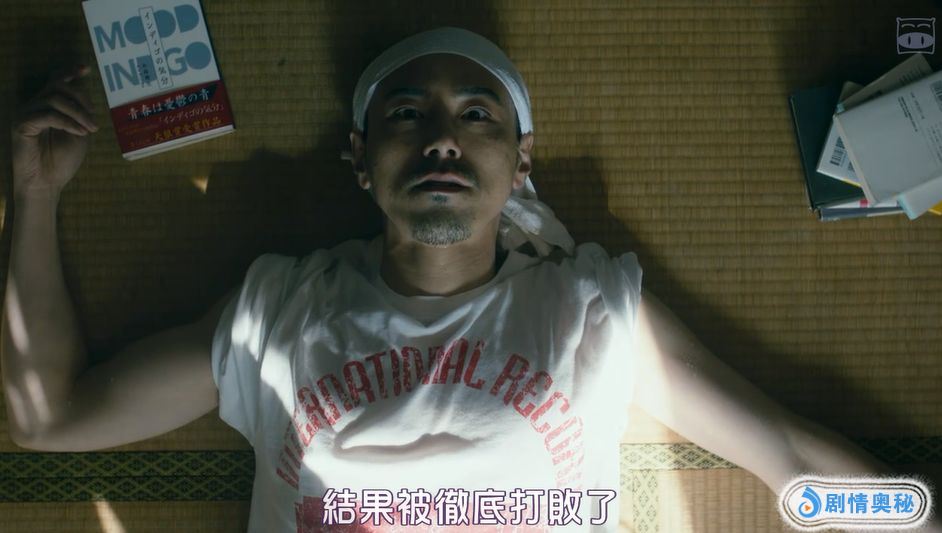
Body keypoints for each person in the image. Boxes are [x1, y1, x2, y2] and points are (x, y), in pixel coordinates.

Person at [2, 26, 937, 533]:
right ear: (360, 158)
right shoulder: (276, 312)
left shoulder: (589, 310)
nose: (443, 136)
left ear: (519, 161)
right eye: (408, 114)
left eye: (477, 114)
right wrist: (34, 196)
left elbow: (790, 458)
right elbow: (51, 418)